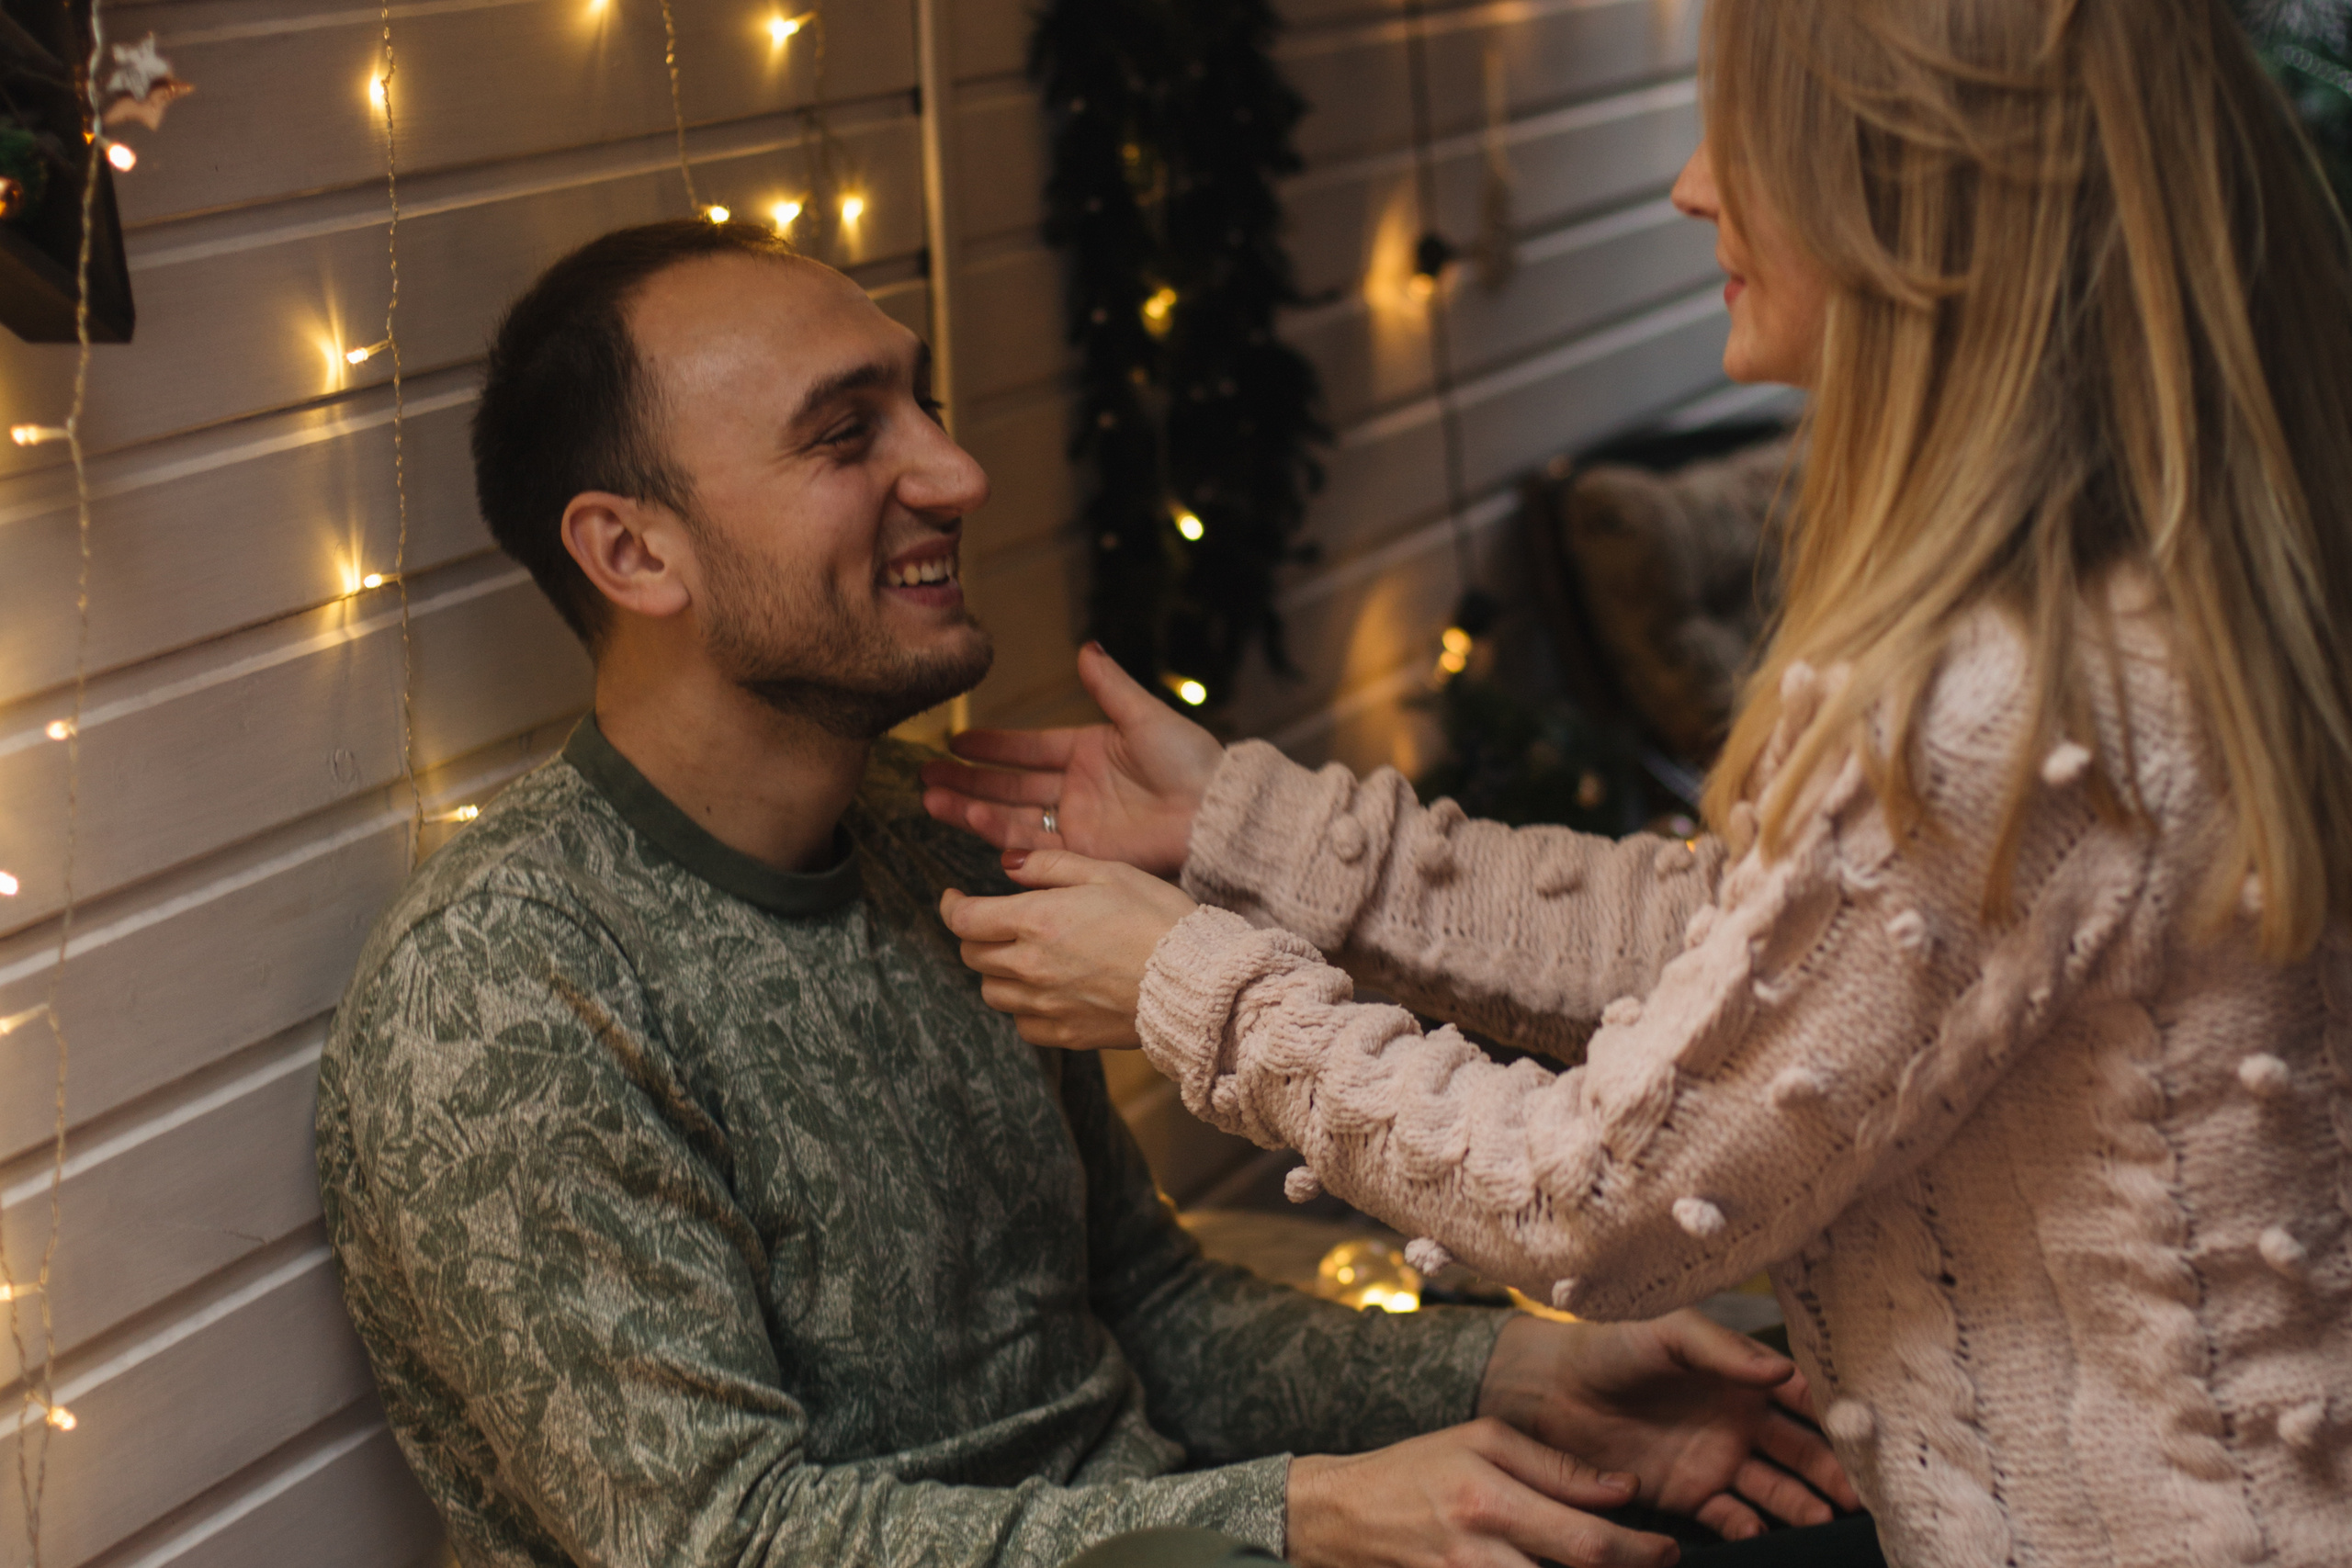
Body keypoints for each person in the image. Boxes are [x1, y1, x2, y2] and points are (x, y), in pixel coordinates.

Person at [920, 3, 2352, 1566]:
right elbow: (1761, 944)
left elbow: (1591, 1195)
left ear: (1914, 193)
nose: (1686, 188)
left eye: (1742, 139)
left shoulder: (2002, 694)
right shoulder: (2141, 581)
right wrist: (1252, 835)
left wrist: (1185, 982)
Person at [314, 219, 1859, 1568]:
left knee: (1820, 1468)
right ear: (634, 552)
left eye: (918, 400)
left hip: (1193, 1530)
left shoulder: (941, 841)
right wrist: (1303, 1516)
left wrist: (1505, 1382)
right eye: (848, 436)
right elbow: (724, 1544)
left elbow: (1151, 1321)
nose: (957, 470)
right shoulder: (511, 991)